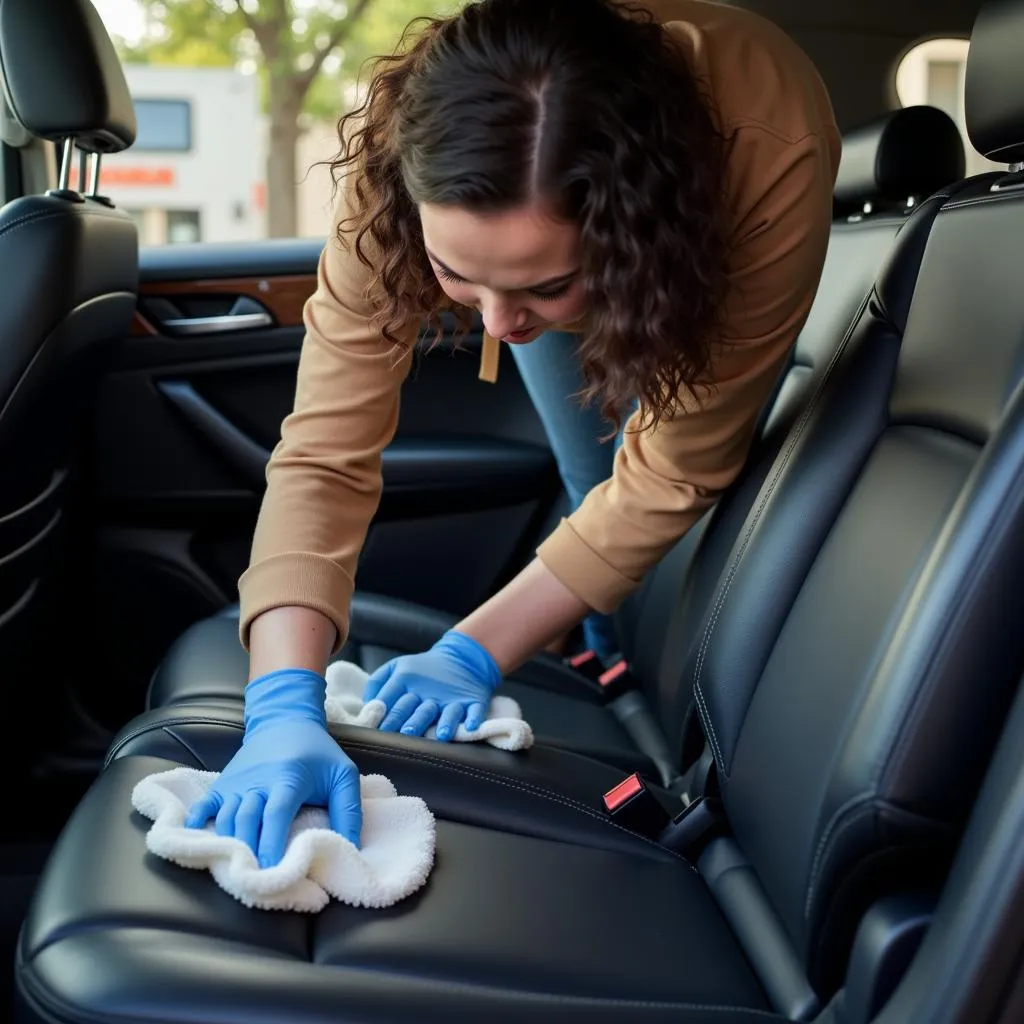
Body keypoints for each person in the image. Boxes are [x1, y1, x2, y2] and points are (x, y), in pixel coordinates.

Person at [185, 0, 840, 867]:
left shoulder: (768, 147)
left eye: (544, 285)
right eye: (456, 273)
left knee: (625, 490)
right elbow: (323, 452)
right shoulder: (409, 145)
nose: (498, 323)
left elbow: (675, 468)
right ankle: (612, 652)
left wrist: (474, 651)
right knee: (585, 484)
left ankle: (619, 656)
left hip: (696, 223)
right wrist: (279, 700)